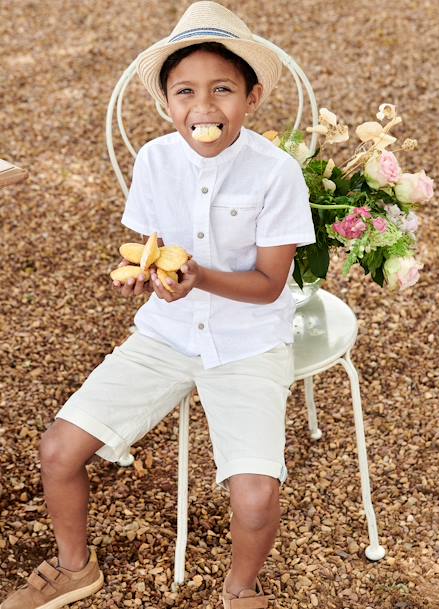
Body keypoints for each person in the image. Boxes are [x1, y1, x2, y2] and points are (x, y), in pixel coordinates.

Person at [0, 2, 315, 608]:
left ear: (251, 99)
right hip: (167, 333)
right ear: (167, 103)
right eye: (185, 91)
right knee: (58, 451)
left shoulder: (276, 173)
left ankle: (241, 589)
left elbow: (271, 284)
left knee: (254, 498)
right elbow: (152, 251)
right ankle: (75, 568)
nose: (203, 106)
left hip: (247, 343)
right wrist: (144, 276)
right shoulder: (154, 160)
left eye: (222, 89)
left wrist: (198, 279)